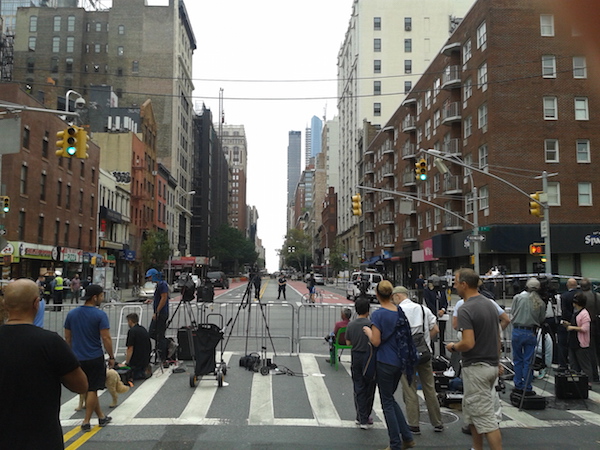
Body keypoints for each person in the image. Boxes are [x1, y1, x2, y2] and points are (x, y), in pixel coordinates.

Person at [0, 279, 88, 449]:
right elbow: (81, 385)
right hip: (41, 438)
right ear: (36, 304)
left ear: (5, 304)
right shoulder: (50, 342)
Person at [446, 268, 502, 450]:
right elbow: (497, 337)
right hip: (490, 365)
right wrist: (498, 361)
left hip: (477, 368)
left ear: (464, 284)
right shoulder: (489, 304)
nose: (454, 286)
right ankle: (476, 447)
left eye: (455, 282)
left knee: (486, 419)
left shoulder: (466, 308)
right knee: (472, 413)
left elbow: (468, 343)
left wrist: (454, 346)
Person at [363, 280, 418, 450]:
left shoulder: (379, 315)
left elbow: (376, 341)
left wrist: (368, 332)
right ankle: (407, 438)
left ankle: (395, 443)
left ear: (377, 295)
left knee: (386, 402)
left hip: (384, 361)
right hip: (399, 362)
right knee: (390, 399)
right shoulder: (399, 311)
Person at [64, 284, 115, 432]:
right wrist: (111, 356)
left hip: (77, 358)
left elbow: (68, 338)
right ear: (95, 297)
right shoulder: (100, 315)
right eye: (101, 295)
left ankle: (101, 416)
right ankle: (86, 421)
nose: (102, 298)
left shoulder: (72, 314)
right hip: (94, 357)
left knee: (87, 388)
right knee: (93, 388)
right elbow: (106, 338)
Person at [395, 285, 444, 434]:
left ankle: (414, 424)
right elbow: (436, 329)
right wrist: (426, 341)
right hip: (424, 354)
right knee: (429, 388)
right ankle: (437, 422)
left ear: (398, 296)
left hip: (407, 356)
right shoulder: (423, 309)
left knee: (410, 389)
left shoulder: (398, 311)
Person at [511, 277, 547, 396]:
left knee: (517, 360)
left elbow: (513, 311)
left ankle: (518, 384)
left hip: (517, 330)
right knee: (528, 361)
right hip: (530, 331)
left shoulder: (518, 298)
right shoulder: (540, 302)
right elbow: (542, 319)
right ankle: (527, 386)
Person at [345, 297, 376, 430]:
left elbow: (348, 342)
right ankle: (366, 415)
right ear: (368, 311)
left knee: (358, 386)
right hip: (369, 356)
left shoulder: (351, 325)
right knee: (370, 387)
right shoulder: (372, 324)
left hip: (356, 356)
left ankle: (360, 416)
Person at [563, 292, 593, 389]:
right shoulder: (576, 313)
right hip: (573, 341)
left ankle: (588, 382)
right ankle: (575, 381)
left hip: (581, 343)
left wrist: (572, 328)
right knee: (573, 363)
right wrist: (568, 324)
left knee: (584, 364)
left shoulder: (584, 314)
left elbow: (585, 328)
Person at [147, 268, 169, 366]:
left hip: (161, 313)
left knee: (158, 334)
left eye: (150, 277)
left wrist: (157, 312)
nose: (149, 279)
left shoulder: (162, 284)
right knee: (154, 333)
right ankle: (163, 347)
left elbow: (164, 298)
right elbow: (160, 298)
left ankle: (164, 356)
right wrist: (152, 300)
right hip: (160, 312)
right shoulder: (159, 285)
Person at [579, 278, 600, 381]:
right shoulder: (597, 296)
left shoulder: (580, 298)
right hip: (597, 323)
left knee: (589, 351)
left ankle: (593, 374)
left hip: (585, 325)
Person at [423, 275, 448, 356]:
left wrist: (443, 310)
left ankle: (442, 353)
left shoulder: (442, 291)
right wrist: (436, 311)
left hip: (442, 315)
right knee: (433, 335)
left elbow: (445, 302)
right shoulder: (427, 291)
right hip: (432, 315)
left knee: (442, 335)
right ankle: (432, 353)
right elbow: (428, 303)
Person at [124, 313, 152, 380]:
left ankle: (138, 373)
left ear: (130, 321)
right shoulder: (143, 329)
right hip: (145, 359)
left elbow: (130, 348)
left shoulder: (132, 331)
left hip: (137, 362)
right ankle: (145, 370)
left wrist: (127, 363)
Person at [558, 278, 579, 369]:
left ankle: (563, 364)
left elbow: (564, 311)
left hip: (567, 323)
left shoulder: (564, 296)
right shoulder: (580, 295)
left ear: (567, 285)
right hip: (579, 323)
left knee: (563, 344)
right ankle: (577, 365)